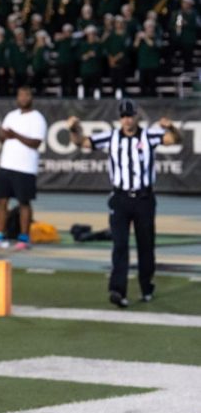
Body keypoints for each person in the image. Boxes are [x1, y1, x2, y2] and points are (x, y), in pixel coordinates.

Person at [68, 100, 182, 308]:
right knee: (119, 245)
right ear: (119, 118)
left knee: (145, 246)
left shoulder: (149, 135)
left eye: (130, 115)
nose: (127, 120)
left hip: (144, 198)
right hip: (120, 198)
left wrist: (171, 126)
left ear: (137, 116)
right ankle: (117, 290)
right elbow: (82, 143)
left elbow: (174, 139)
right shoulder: (110, 137)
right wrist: (74, 129)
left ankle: (146, 285)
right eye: (123, 116)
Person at [0, 86, 47, 251]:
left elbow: (36, 143)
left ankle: (24, 238)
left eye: (26, 95)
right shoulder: (11, 116)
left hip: (25, 167)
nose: (23, 98)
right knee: (0, 201)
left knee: (24, 203)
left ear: (31, 97)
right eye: (21, 95)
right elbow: (3, 137)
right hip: (6, 164)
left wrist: (15, 135)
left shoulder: (37, 118)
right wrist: (1, 133)